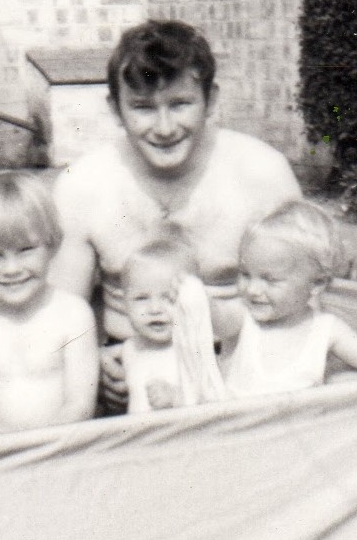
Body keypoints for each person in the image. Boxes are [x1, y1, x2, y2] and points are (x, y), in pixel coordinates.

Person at [49, 20, 302, 406]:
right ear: (115, 109)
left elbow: (309, 300)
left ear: (210, 100)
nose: (164, 128)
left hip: (248, 375)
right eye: (143, 107)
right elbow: (61, 313)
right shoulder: (82, 186)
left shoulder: (263, 175)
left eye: (180, 104)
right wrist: (94, 362)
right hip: (130, 378)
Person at [0, 171, 99, 441]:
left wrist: (39, 454)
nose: (12, 269)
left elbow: (80, 405)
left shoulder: (74, 315)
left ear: (51, 245)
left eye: (26, 250)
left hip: (62, 450)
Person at [215, 200, 357, 398]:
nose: (252, 289)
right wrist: (196, 293)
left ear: (316, 285)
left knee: (350, 380)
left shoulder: (326, 328)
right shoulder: (242, 316)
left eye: (270, 280)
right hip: (238, 424)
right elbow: (214, 315)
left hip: (302, 424)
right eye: (245, 274)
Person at [121, 235, 225, 414]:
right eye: (141, 298)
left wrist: (177, 398)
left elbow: (214, 398)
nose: (155, 309)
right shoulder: (131, 348)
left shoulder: (196, 345)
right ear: (125, 303)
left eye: (168, 298)